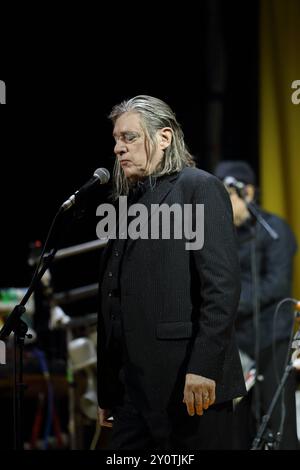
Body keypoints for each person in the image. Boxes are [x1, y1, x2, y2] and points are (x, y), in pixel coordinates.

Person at [97, 96, 246, 451]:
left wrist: (205, 367)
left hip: (187, 386)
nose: (119, 148)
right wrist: (108, 388)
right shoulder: (125, 201)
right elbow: (114, 296)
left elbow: (222, 287)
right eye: (116, 139)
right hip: (131, 392)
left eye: (130, 138)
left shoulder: (198, 187)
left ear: (164, 138)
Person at [214, 160, 299, 450]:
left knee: (279, 423)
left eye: (229, 195)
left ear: (247, 192)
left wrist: (230, 304)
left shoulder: (275, 230)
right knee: (235, 427)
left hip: (271, 340)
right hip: (234, 343)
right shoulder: (220, 236)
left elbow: (276, 284)